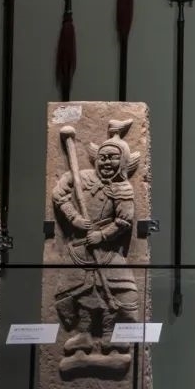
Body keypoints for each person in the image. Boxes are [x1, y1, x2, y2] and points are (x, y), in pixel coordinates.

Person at [52, 119, 140, 364]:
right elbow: (59, 194)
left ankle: (111, 335)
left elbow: (124, 221)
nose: (107, 162)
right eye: (103, 157)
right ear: (96, 159)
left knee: (121, 291)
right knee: (81, 292)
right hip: (80, 249)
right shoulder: (81, 177)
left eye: (113, 158)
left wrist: (102, 235)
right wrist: (74, 218)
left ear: (123, 162)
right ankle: (84, 334)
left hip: (108, 251)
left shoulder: (123, 189)